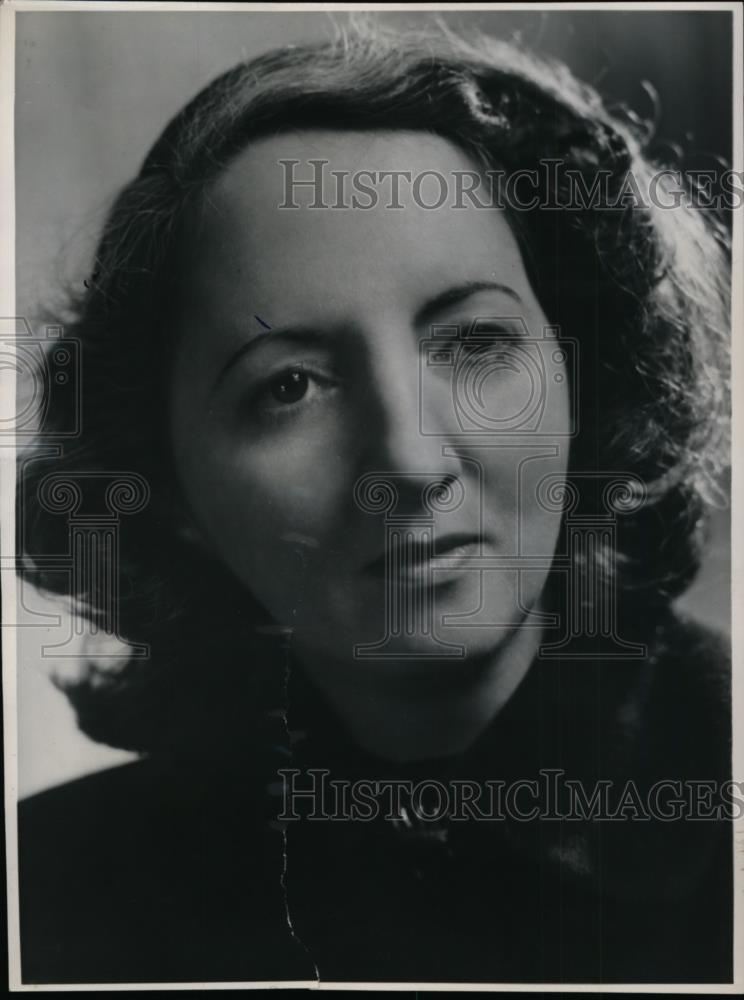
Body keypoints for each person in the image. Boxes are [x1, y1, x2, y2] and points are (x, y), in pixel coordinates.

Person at [16, 21, 732, 985]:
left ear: (583, 386)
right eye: (289, 388)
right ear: (169, 488)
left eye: (474, 344)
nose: (406, 458)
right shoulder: (55, 891)